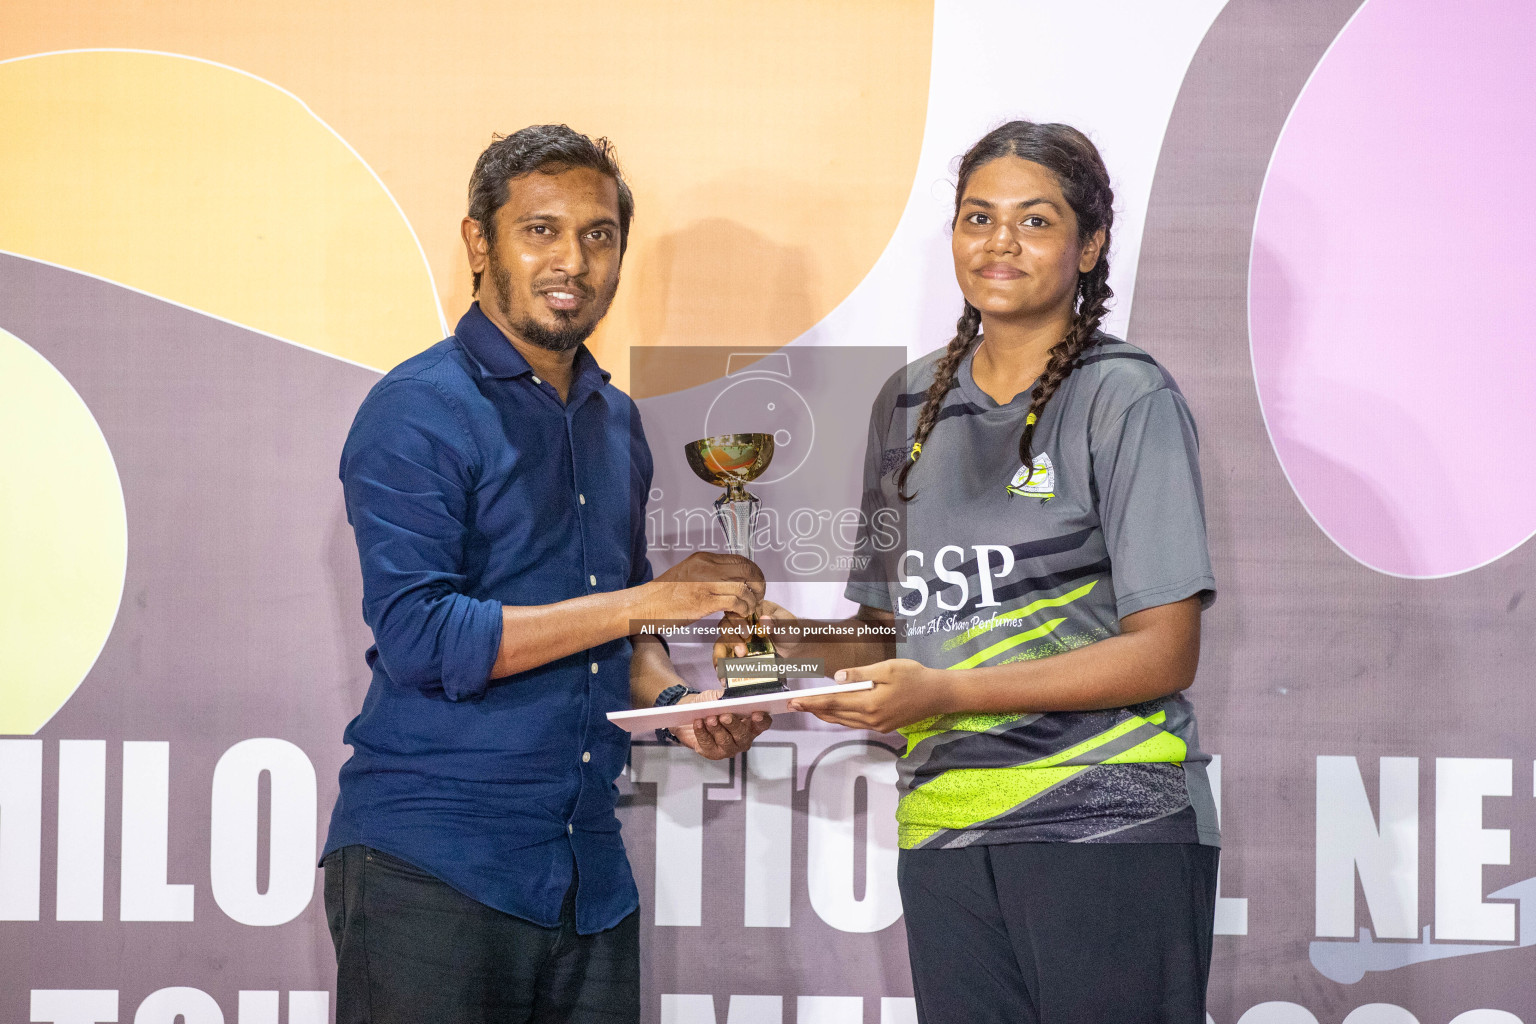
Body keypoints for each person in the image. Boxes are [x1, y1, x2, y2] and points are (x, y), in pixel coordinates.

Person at [725, 121, 1219, 1023]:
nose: (999, 243)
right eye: (977, 217)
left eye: (1035, 222)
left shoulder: (1126, 395)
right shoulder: (907, 403)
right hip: (946, 829)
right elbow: (883, 637)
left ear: (1090, 244)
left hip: (1105, 823)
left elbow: (1164, 654)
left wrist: (943, 692)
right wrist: (767, 649)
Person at [322, 124, 772, 1024]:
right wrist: (642, 602)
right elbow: (421, 638)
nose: (574, 259)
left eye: (598, 235)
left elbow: (623, 630)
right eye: (541, 230)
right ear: (479, 242)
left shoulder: (615, 422)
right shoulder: (416, 410)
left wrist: (678, 710)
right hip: (433, 866)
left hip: (586, 877)